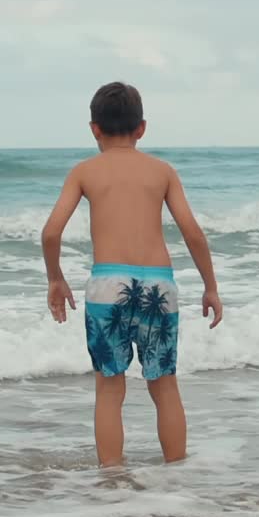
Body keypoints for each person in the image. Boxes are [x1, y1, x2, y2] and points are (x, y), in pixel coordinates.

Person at [41, 81, 223, 467]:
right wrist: (211, 286)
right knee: (165, 386)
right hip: (159, 284)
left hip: (107, 287)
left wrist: (56, 279)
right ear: (142, 128)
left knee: (109, 389)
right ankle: (176, 478)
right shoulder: (162, 171)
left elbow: (51, 231)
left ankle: (111, 481)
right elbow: (192, 231)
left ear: (94, 128)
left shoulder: (84, 172)